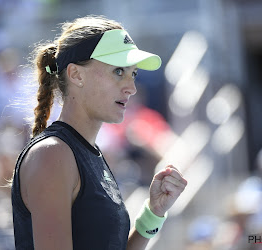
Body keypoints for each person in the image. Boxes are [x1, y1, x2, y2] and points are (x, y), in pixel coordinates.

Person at [11, 15, 188, 250]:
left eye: (133, 74)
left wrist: (154, 213)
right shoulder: (52, 155)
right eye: (118, 71)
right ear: (76, 75)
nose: (131, 88)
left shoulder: (88, 153)